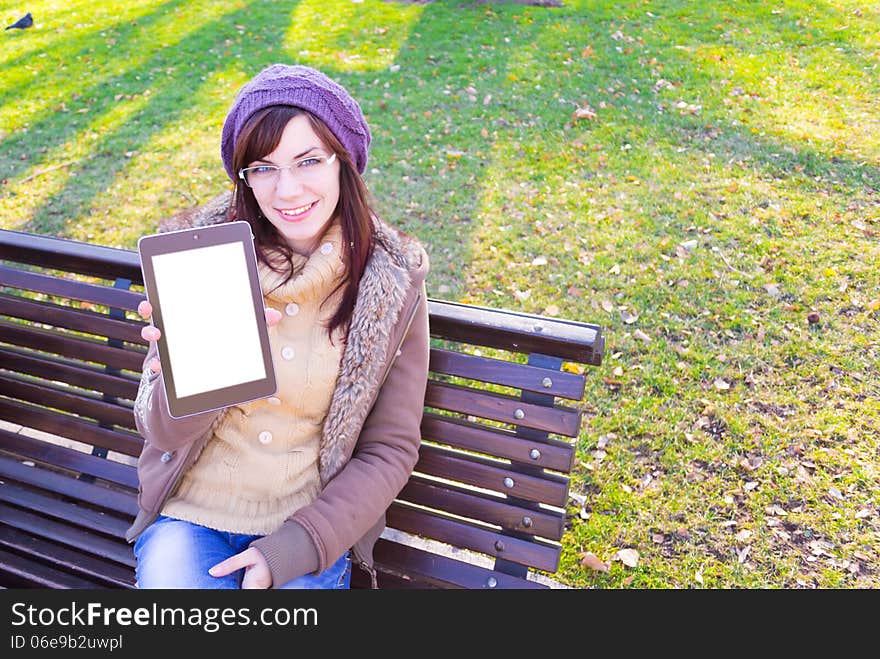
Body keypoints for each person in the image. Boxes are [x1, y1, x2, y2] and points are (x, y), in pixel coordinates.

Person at [126, 64, 430, 589]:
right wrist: (193, 374)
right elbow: (160, 433)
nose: (286, 190)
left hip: (307, 529)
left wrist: (294, 548)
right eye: (263, 168)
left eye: (308, 160)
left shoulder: (390, 282)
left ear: (343, 163)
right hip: (192, 517)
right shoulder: (204, 259)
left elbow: (390, 449)